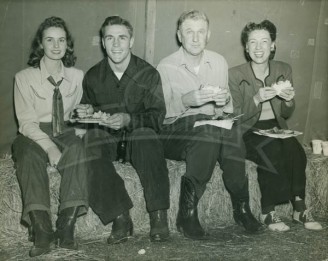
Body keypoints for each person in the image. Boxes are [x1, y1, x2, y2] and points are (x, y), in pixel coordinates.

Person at [157, 10, 262, 240]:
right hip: (174, 133)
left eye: (200, 32)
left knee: (232, 133)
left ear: (208, 35)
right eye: (189, 32)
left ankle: (242, 208)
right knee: (207, 129)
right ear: (179, 35)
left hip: (209, 128)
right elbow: (159, 116)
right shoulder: (165, 66)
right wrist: (186, 100)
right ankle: (187, 213)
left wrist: (224, 102)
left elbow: (227, 108)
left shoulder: (218, 62)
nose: (195, 38)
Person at [75, 16, 170, 243]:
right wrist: (86, 112)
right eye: (110, 38)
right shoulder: (93, 76)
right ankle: (120, 216)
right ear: (103, 42)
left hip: (138, 140)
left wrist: (129, 119)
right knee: (90, 142)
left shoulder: (148, 74)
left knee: (146, 135)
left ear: (131, 41)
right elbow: (88, 111)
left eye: (122, 38)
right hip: (108, 138)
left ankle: (158, 216)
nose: (116, 44)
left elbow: (157, 118)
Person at [228, 20, 322, 232]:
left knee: (296, 151)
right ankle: (268, 211)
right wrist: (255, 99)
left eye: (264, 41)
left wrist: (288, 101)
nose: (258, 48)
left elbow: (286, 112)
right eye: (253, 42)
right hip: (247, 129)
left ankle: (299, 208)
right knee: (269, 149)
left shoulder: (283, 69)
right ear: (246, 47)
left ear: (273, 45)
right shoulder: (234, 74)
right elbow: (234, 115)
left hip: (275, 126)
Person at [12, 17, 88, 257]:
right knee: (27, 154)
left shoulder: (78, 76)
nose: (56, 45)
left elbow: (79, 113)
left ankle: (66, 229)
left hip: (64, 129)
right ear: (40, 44)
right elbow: (25, 122)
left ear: (68, 44)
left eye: (61, 40)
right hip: (33, 131)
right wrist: (49, 148)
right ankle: (42, 229)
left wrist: (82, 124)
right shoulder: (24, 77)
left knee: (77, 150)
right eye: (50, 40)